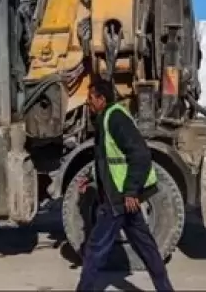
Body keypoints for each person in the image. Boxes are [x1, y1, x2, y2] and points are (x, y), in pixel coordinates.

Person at [74, 78, 174, 292]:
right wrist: (90, 178)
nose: (88, 103)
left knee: (95, 249)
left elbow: (140, 154)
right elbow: (109, 159)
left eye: (91, 98)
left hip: (118, 199)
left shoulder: (115, 118)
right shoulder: (107, 118)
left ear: (101, 99)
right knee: (147, 248)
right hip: (123, 198)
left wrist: (130, 191)